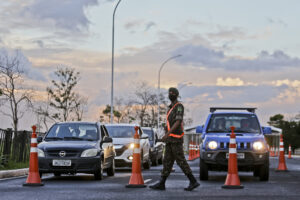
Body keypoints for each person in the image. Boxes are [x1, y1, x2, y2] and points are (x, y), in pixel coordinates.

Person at [149, 87, 200, 191]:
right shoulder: (170, 108)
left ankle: (193, 181)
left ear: (176, 95)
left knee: (181, 160)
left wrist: (167, 133)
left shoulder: (179, 106)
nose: (170, 94)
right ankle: (161, 183)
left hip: (176, 139)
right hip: (170, 140)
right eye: (169, 93)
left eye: (172, 93)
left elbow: (178, 122)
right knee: (167, 161)